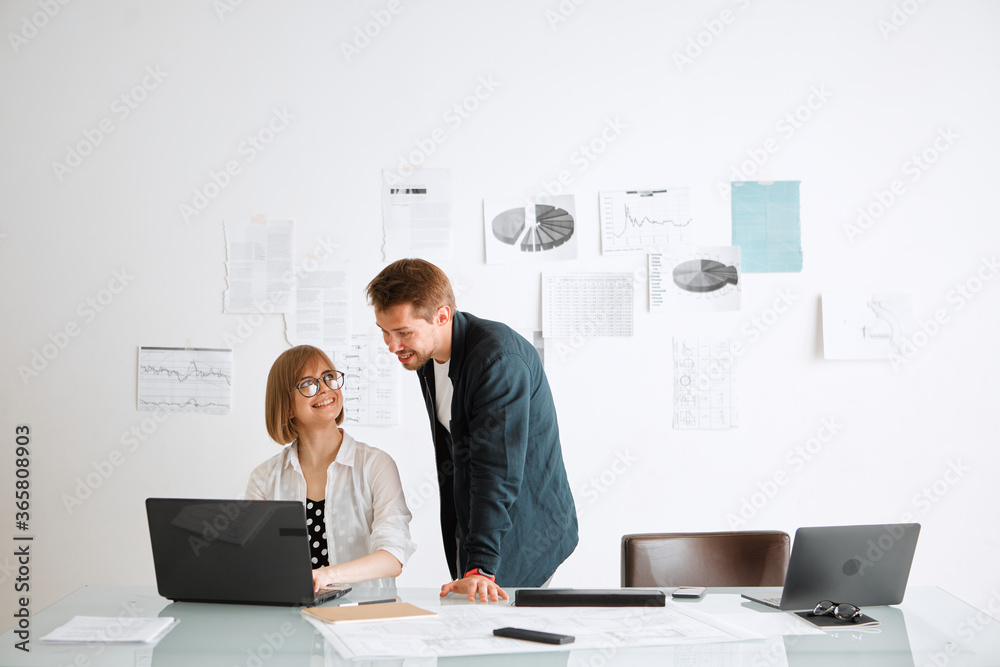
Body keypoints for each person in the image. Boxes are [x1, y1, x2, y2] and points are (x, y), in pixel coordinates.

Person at [366, 259, 578, 603]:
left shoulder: (498, 361)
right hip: (478, 527)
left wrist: (480, 565)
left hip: (525, 532)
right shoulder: (425, 356)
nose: (392, 346)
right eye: (384, 332)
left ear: (442, 315)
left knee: (502, 633)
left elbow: (496, 470)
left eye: (403, 332)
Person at [245, 345, 415, 590]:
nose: (325, 388)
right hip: (293, 610)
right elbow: (256, 558)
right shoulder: (264, 479)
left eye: (329, 377)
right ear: (287, 405)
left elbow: (392, 556)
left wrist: (326, 575)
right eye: (308, 383)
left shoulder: (376, 465)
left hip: (366, 611)